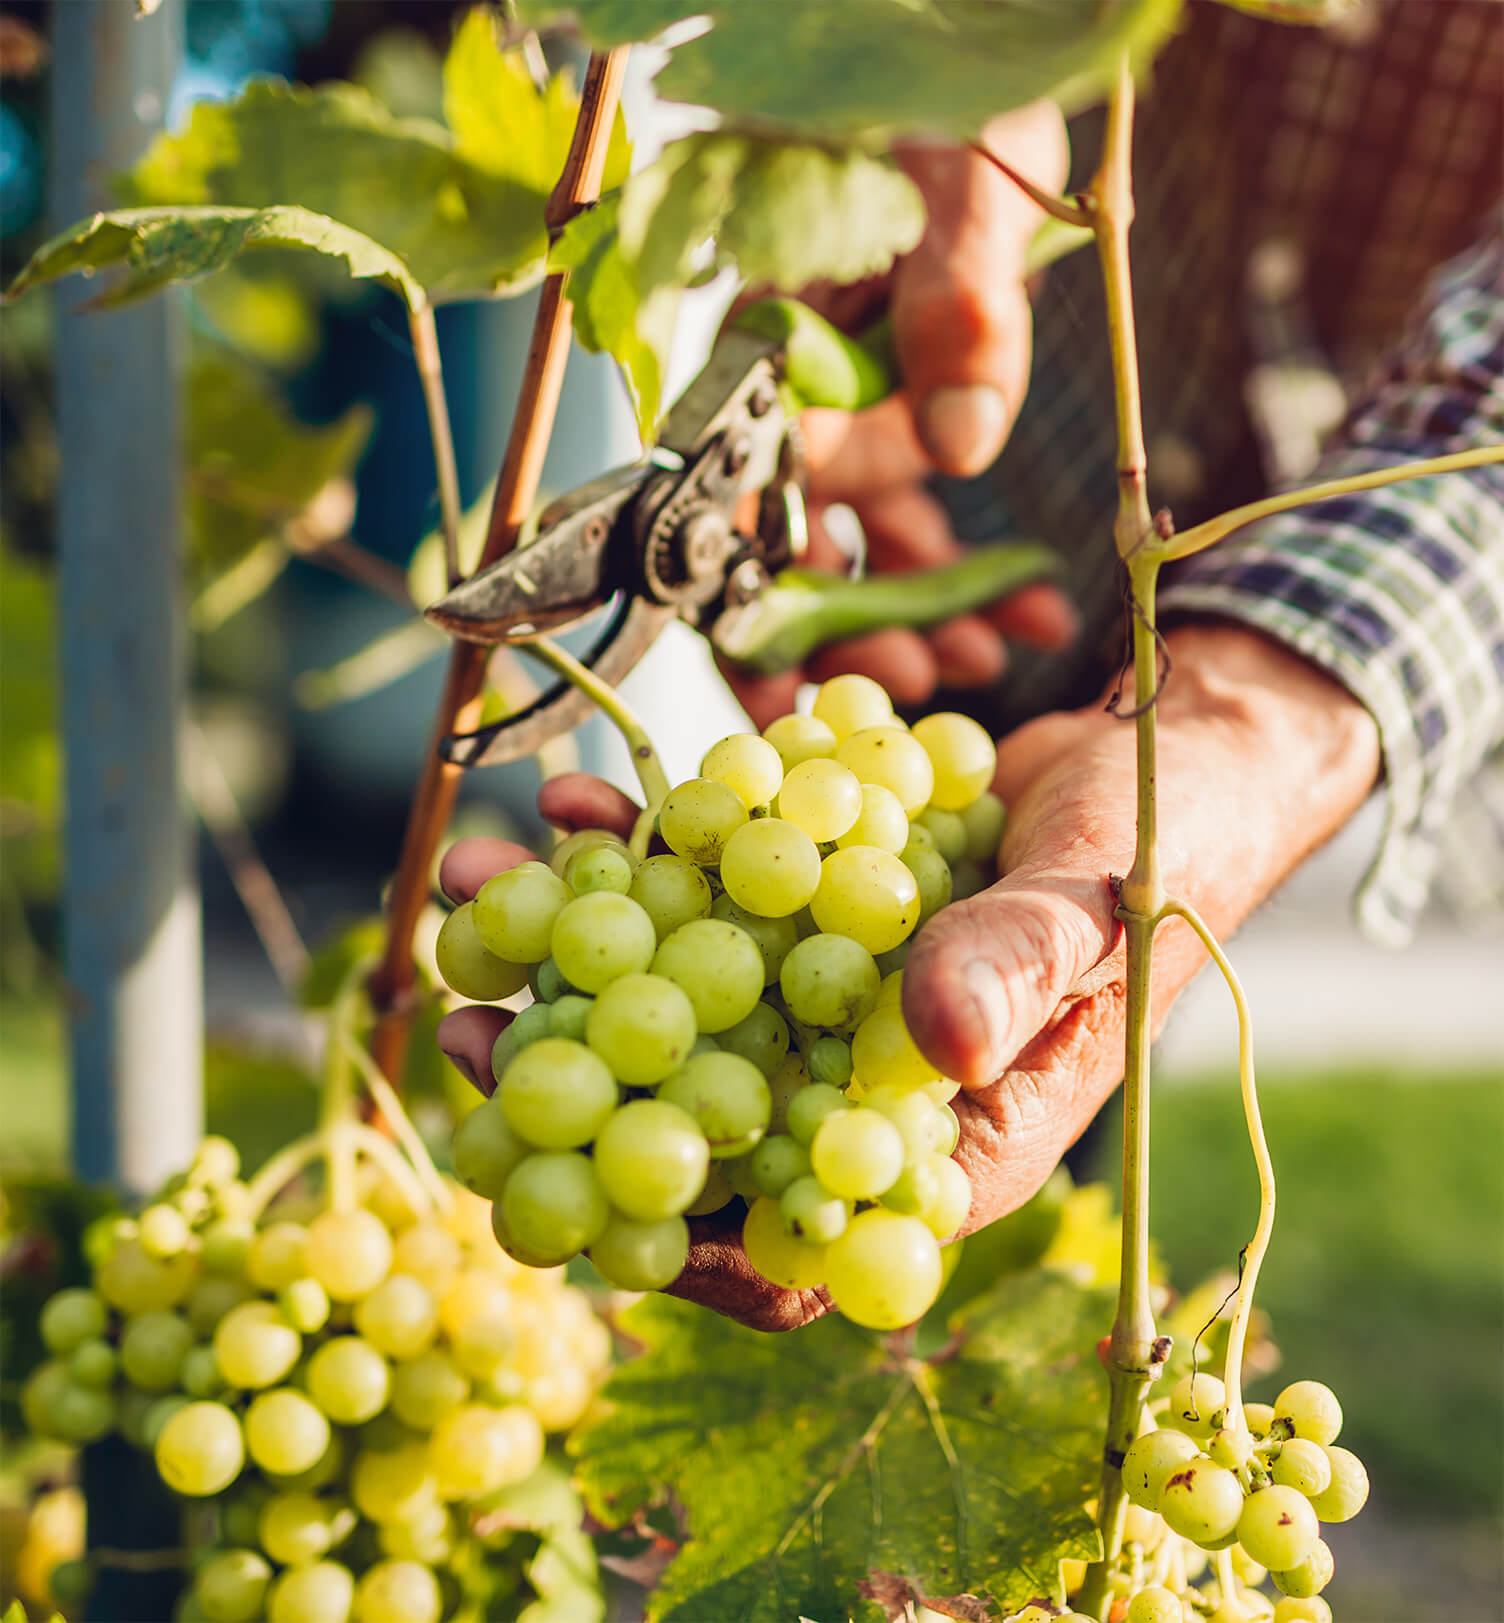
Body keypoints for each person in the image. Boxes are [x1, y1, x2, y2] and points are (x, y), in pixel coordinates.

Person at [438, 1, 1504, 1329]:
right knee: (997, 919)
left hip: (1363, 439)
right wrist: (938, 56)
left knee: (1048, 941)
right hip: (1022, 416)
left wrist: (1250, 722)